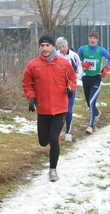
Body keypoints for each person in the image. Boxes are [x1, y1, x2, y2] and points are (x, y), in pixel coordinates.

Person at [22, 34, 77, 182]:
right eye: (42, 46)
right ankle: (49, 149)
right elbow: (27, 83)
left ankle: (53, 170)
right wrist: (32, 97)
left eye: (48, 45)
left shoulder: (64, 64)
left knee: (54, 138)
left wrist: (70, 88)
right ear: (40, 47)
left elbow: (72, 78)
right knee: (43, 141)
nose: (45, 48)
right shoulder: (33, 65)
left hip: (60, 108)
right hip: (43, 109)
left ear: (53, 46)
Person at [77, 29, 110, 134]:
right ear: (88, 39)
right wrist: (83, 64)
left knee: (92, 101)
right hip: (85, 78)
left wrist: (106, 67)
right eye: (91, 38)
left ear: (97, 40)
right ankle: (96, 112)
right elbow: (76, 60)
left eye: (94, 38)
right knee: (89, 103)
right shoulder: (82, 49)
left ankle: (90, 126)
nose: (92, 40)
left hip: (96, 79)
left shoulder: (101, 50)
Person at [56, 37, 83, 142]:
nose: (62, 49)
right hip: (58, 86)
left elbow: (79, 71)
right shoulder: (55, 56)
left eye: (64, 46)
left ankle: (68, 132)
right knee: (59, 109)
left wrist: (72, 82)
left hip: (71, 86)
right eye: (60, 47)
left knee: (69, 109)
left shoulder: (74, 56)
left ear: (67, 45)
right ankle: (59, 129)